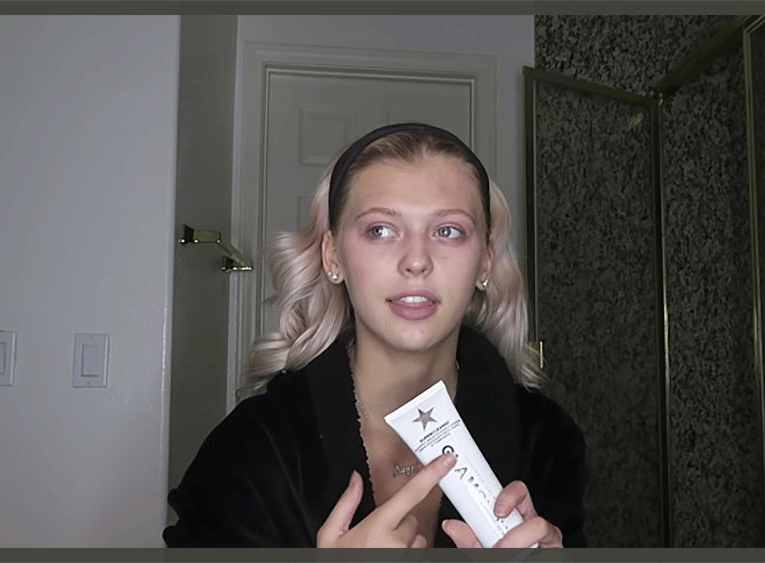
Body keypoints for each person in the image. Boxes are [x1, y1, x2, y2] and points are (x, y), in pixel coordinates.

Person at [163, 122, 587, 548]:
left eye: (448, 231)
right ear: (333, 257)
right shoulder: (254, 447)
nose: (416, 261)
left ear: (485, 263)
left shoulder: (546, 441)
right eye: (380, 230)